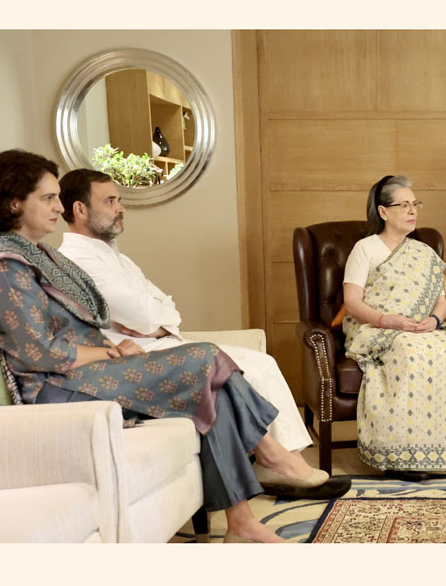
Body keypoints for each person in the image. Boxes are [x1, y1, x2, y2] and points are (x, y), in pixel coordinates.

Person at [0, 150, 340, 543]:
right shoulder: (4, 268)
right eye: (48, 198)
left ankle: (242, 524)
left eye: (57, 197)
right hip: (56, 390)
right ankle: (271, 454)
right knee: (204, 357)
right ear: (14, 202)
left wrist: (108, 348)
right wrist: (111, 351)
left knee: (210, 390)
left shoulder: (40, 254)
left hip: (85, 374)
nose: (58, 207)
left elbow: (83, 326)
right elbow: (38, 353)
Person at [55, 169, 318, 490]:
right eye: (110, 201)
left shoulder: (114, 256)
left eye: (119, 200)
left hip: (158, 343)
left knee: (263, 363)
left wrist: (157, 324)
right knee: (252, 368)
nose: (120, 208)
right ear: (80, 210)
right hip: (136, 357)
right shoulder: (78, 260)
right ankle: (280, 464)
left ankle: (288, 459)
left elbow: (166, 311)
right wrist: (155, 323)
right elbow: (144, 314)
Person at [341, 175, 446, 479]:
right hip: (376, 327)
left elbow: (439, 301)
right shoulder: (365, 249)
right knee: (410, 351)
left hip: (419, 327)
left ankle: (438, 450)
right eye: (403, 205)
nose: (412, 211)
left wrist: (435, 321)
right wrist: (386, 320)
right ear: (383, 212)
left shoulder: (424, 253)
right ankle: (401, 455)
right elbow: (352, 302)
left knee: (445, 349)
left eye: (414, 204)